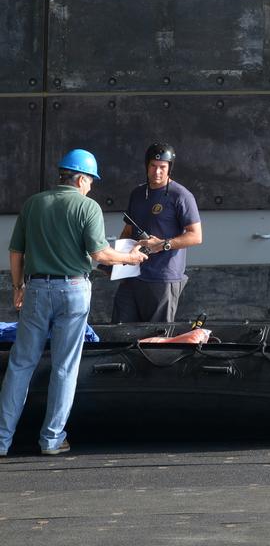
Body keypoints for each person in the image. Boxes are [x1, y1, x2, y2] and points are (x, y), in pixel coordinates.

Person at [0, 149, 147, 455]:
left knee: (20, 364)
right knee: (65, 367)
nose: (91, 187)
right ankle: (51, 440)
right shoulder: (87, 207)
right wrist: (130, 257)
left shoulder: (33, 204)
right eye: (90, 181)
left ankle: (1, 440)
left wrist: (17, 287)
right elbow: (100, 255)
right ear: (80, 178)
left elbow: (16, 252)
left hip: (36, 288)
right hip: (74, 290)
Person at [111, 142, 202, 325]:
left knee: (155, 338)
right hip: (132, 275)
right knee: (120, 331)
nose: (157, 172)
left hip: (162, 277)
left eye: (162, 167)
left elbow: (196, 236)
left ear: (169, 168)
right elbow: (128, 231)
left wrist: (163, 244)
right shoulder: (137, 193)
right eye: (153, 166)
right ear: (147, 165)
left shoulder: (181, 196)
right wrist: (116, 261)